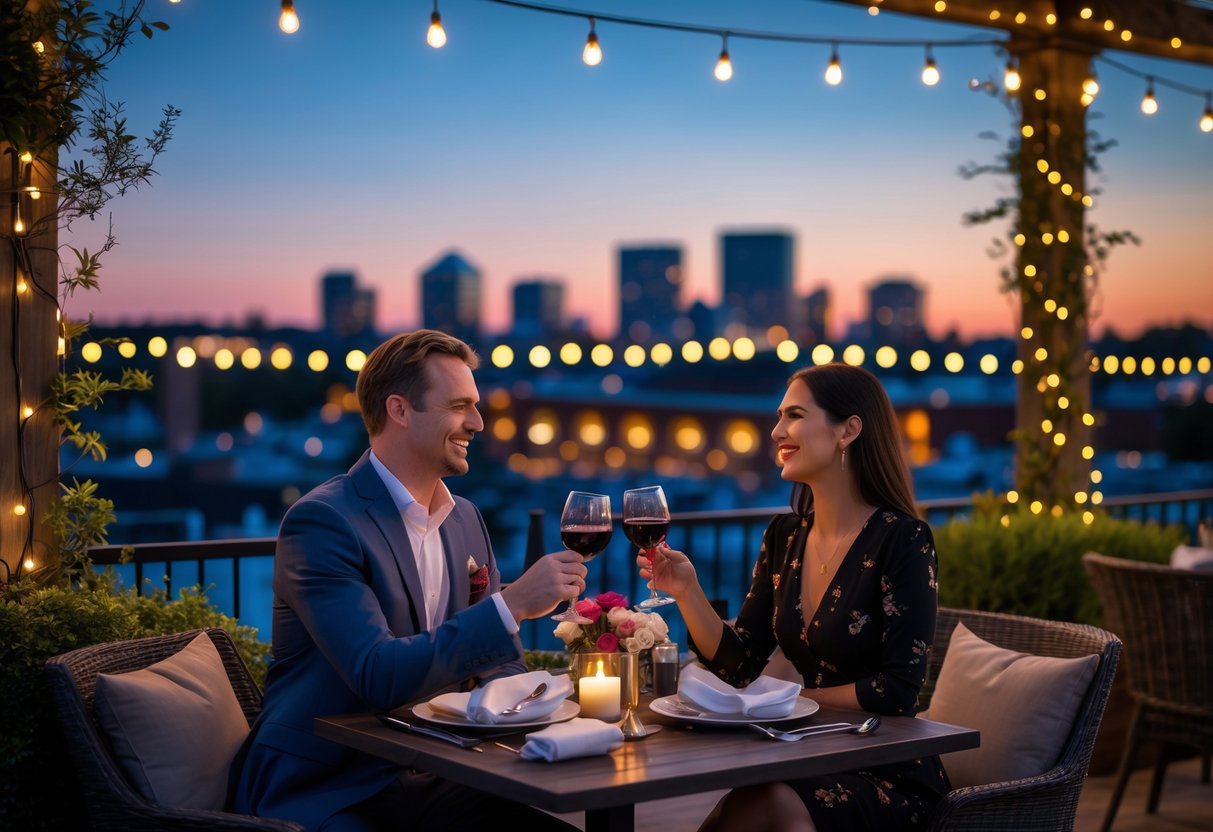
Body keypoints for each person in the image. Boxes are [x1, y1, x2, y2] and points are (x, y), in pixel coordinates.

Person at [230, 329, 585, 831]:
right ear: (399, 410)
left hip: (438, 768)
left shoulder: (465, 518)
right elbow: (378, 674)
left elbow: (501, 663)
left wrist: (529, 705)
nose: (478, 422)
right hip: (330, 783)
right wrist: (510, 606)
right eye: (460, 405)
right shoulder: (324, 522)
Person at [640, 363, 948, 832]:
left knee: (771, 806)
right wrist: (687, 591)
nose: (777, 430)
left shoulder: (903, 540)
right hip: (804, 753)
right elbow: (740, 662)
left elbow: (898, 691)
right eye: (780, 416)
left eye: (795, 416)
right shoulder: (785, 538)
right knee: (749, 804)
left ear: (848, 431)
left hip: (885, 767)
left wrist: (790, 701)